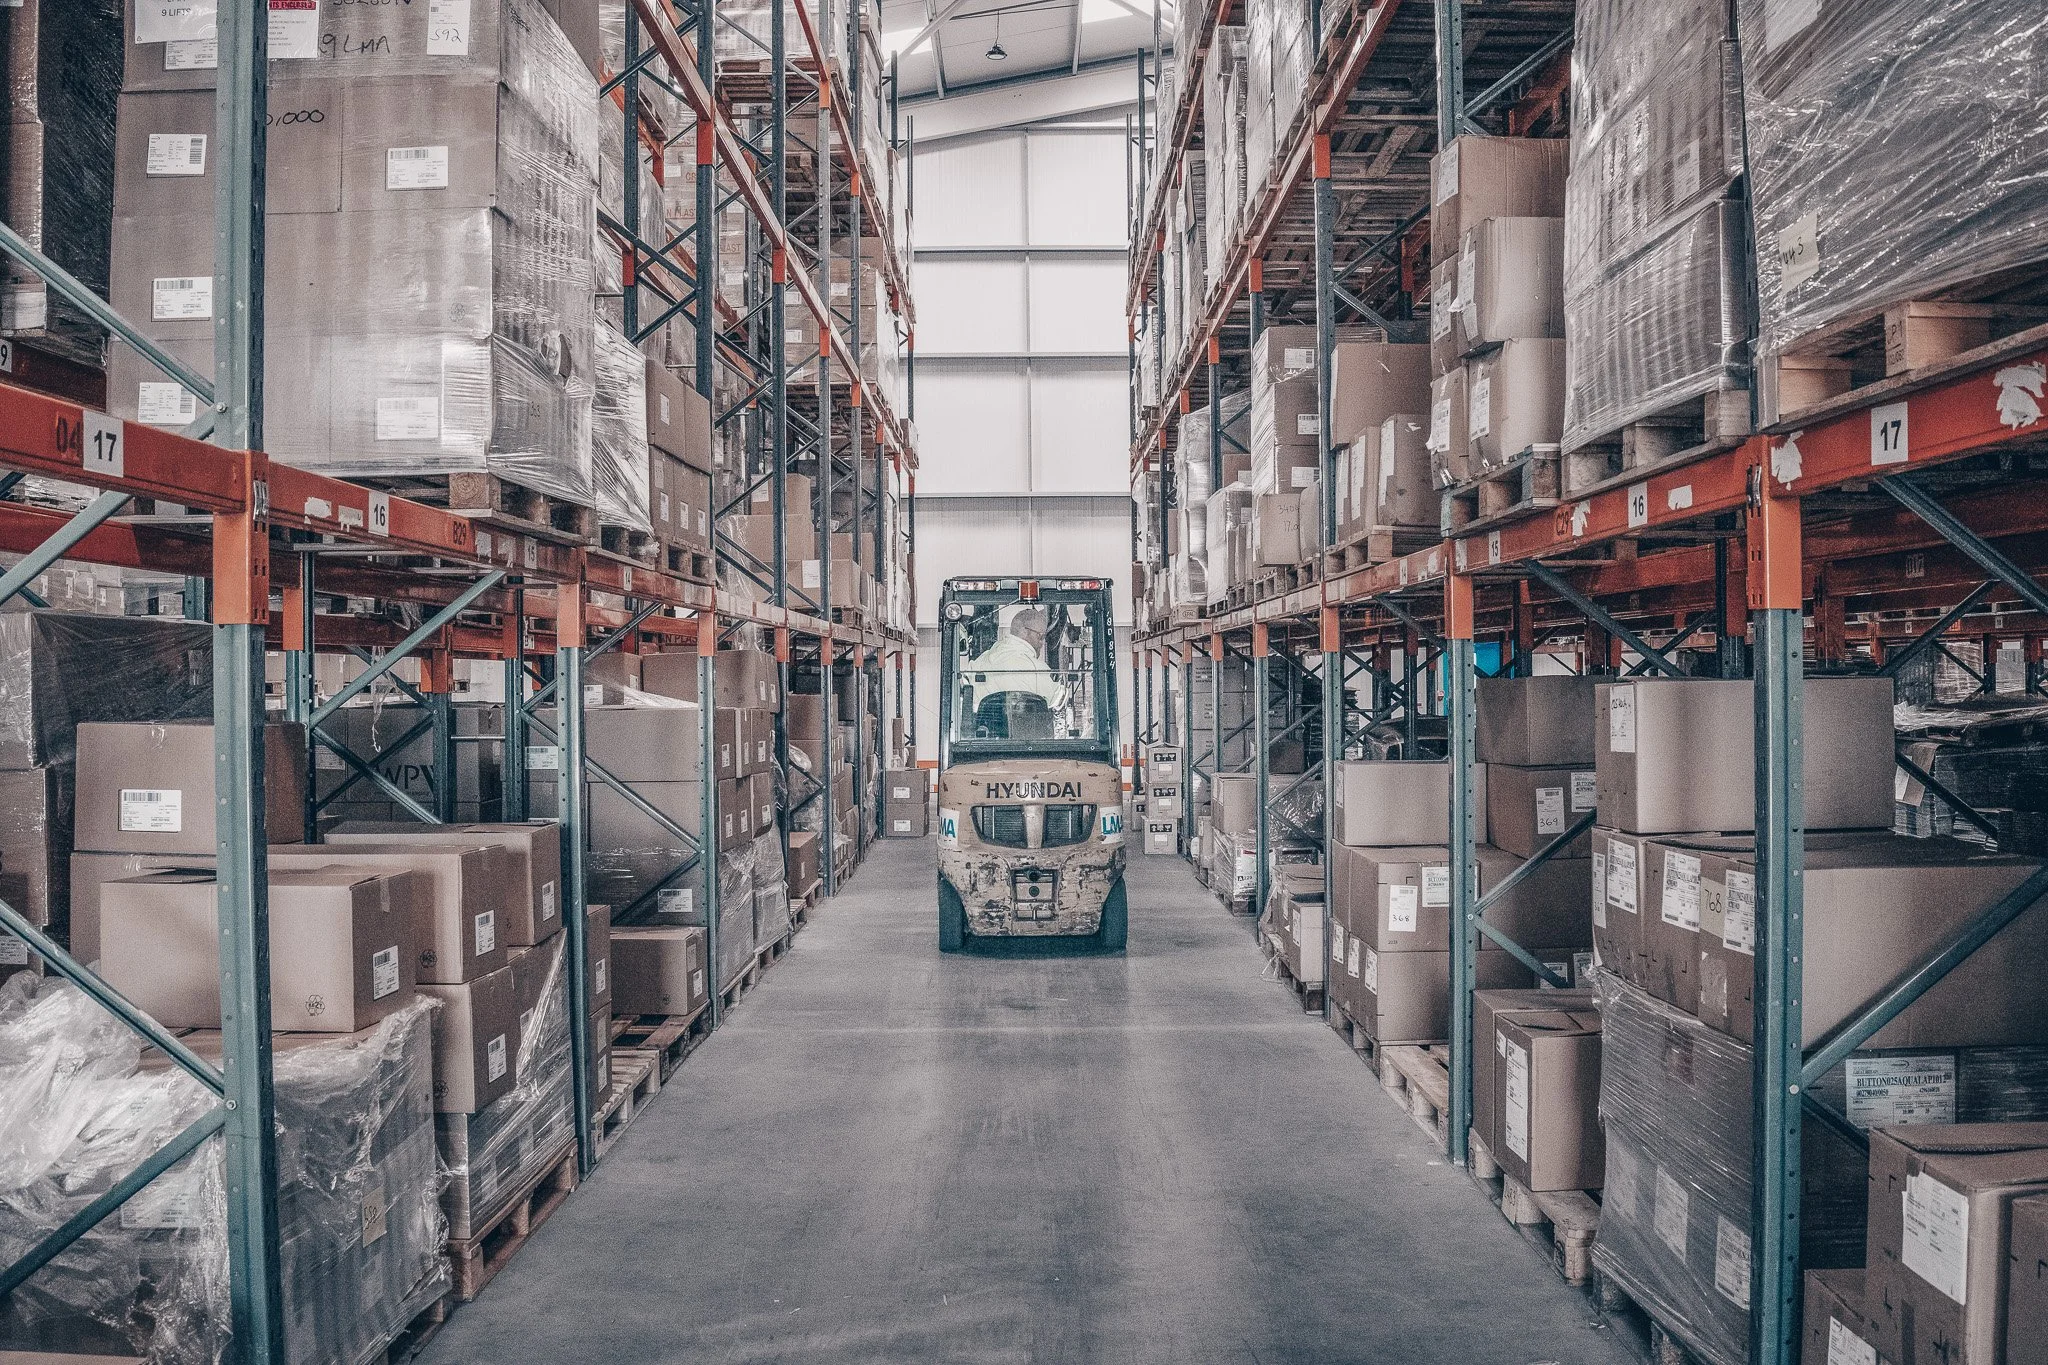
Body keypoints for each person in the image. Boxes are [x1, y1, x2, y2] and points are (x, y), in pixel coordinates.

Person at [966, 607, 1068, 717]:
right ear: (1024, 632)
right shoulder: (1036, 669)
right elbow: (1058, 701)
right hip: (1027, 732)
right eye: (1040, 636)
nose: (1042, 643)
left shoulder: (980, 661)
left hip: (986, 731)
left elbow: (967, 695)